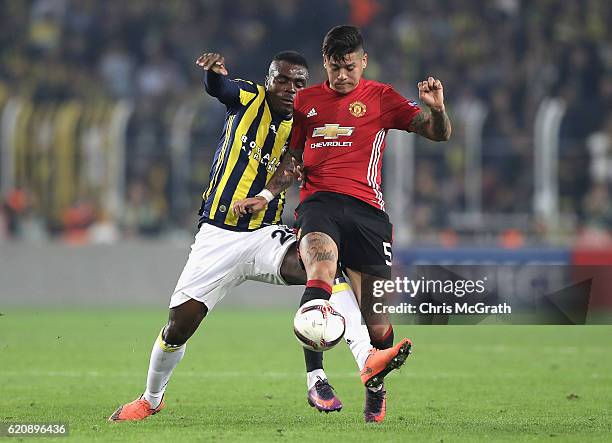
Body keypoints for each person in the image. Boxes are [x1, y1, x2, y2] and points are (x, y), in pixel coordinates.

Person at [109, 50, 406, 422]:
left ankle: (364, 359)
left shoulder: (305, 121)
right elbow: (220, 89)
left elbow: (294, 165)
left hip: (265, 234)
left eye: (299, 83)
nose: (289, 89)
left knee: (326, 266)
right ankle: (150, 399)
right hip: (217, 237)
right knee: (177, 328)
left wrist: (266, 196)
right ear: (269, 79)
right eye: (282, 80)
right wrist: (214, 75)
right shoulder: (248, 98)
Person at [234, 25, 451, 423]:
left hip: (368, 214)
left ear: (363, 62)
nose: (342, 76)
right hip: (319, 205)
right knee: (320, 266)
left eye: (349, 67)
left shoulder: (382, 97)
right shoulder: (307, 101)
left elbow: (438, 134)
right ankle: (316, 378)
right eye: (335, 68)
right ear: (325, 64)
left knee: (377, 322)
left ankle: (375, 383)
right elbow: (292, 159)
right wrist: (265, 196)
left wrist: (436, 108)